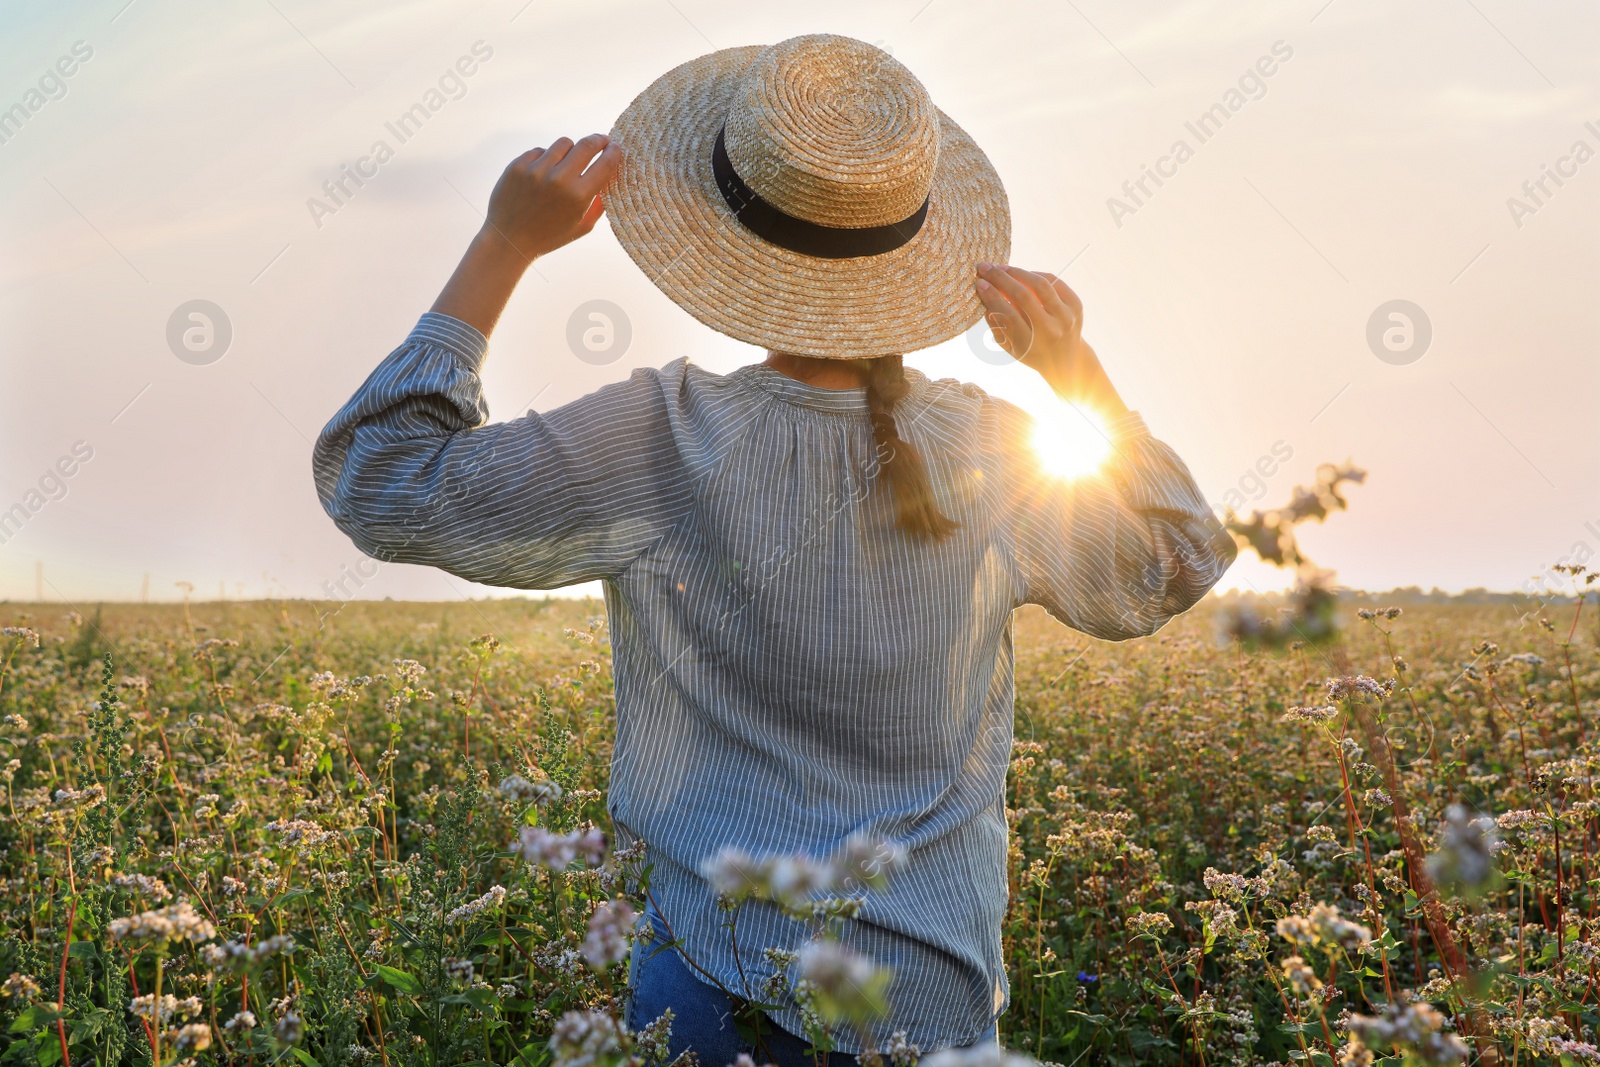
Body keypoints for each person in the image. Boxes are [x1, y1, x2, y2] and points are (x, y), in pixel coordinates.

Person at [313, 33, 1235, 1067]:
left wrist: (501, 247)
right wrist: (1079, 378)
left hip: (720, 979)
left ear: (723, 232)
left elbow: (382, 481)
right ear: (911, 249)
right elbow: (1176, 561)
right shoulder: (992, 450)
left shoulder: (662, 434)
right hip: (935, 1000)